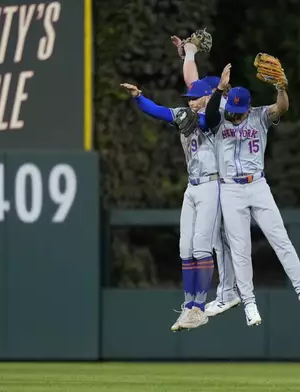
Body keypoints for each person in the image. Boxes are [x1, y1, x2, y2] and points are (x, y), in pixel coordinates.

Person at [204, 64, 300, 326]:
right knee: (240, 250)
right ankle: (249, 304)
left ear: (247, 106)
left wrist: (281, 87)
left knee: (281, 239)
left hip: (257, 185)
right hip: (230, 188)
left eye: (237, 111)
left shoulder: (259, 115)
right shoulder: (219, 116)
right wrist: (220, 89)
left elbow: (282, 108)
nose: (233, 115)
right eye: (230, 109)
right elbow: (210, 115)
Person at [120, 79, 220, 331]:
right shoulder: (185, 113)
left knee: (201, 247)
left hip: (212, 184)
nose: (191, 101)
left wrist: (203, 110)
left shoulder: (216, 115)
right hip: (193, 186)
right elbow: (158, 111)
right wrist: (138, 96)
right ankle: (188, 307)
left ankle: (200, 306)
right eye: (190, 98)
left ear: (208, 97)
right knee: (185, 247)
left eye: (196, 97)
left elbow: (209, 121)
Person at [170, 37, 241, 317]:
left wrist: (220, 88)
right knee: (213, 241)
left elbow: (208, 105)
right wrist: (189, 53)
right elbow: (192, 82)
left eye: (206, 92)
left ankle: (227, 293)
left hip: (228, 180)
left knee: (219, 241)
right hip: (210, 180)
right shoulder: (202, 101)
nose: (194, 96)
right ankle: (218, 295)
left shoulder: (219, 110)